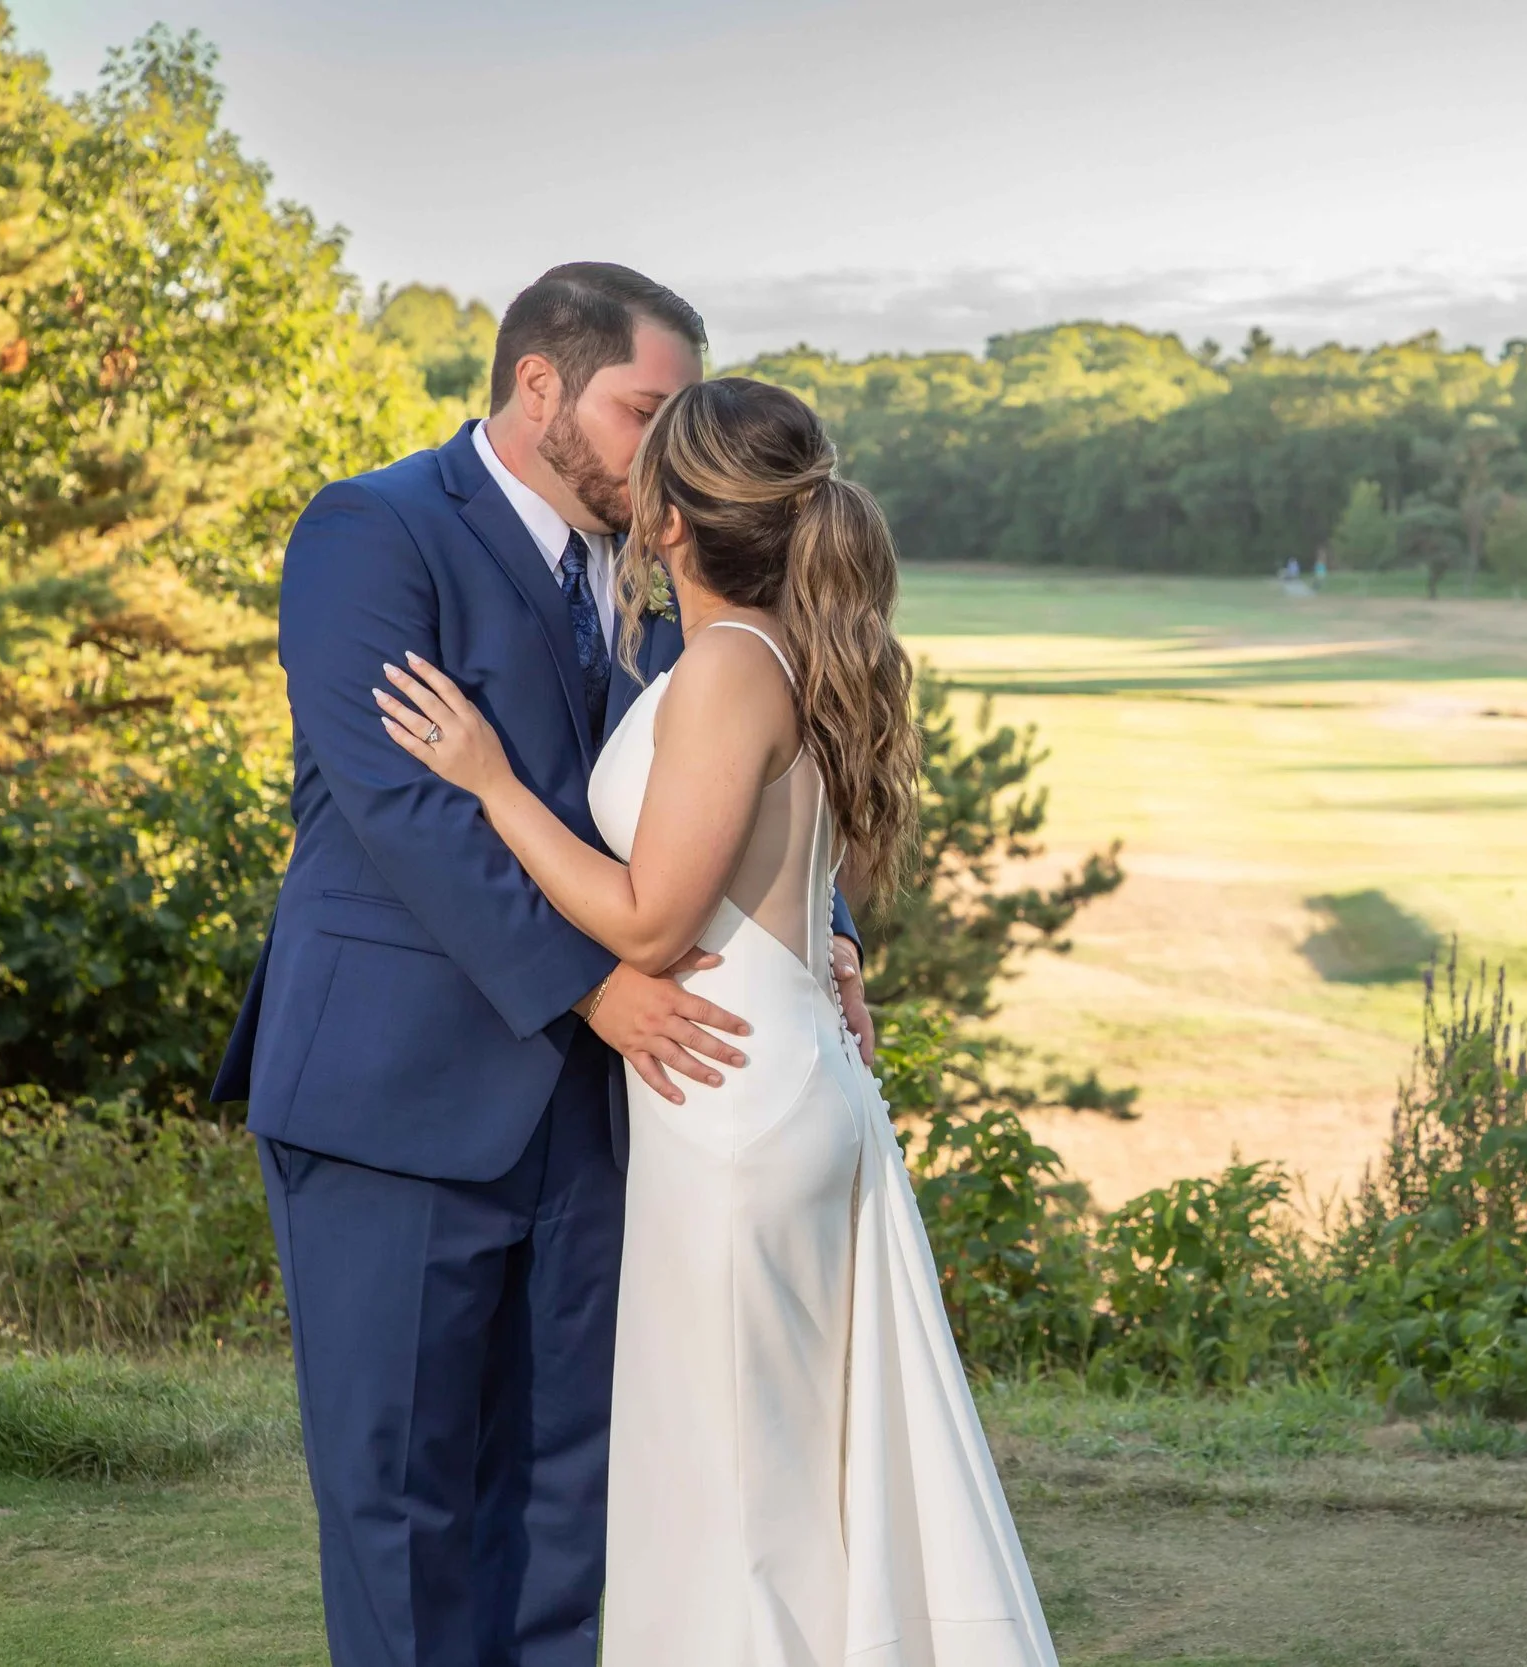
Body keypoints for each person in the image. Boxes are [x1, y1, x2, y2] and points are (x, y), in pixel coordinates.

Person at [208, 264, 876, 1667]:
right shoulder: (372, 531)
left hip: (604, 1108)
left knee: (573, 1491)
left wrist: (824, 929)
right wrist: (591, 983)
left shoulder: (660, 564)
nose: (666, 444)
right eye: (645, 407)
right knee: (402, 1498)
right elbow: (405, 811)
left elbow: (738, 773)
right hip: (397, 1092)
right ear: (538, 387)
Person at [378, 378, 1057, 1662]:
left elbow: (646, 921)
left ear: (675, 524)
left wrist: (490, 784)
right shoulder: (747, 659)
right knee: (754, 1464)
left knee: (749, 1487)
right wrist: (835, 941)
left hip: (736, 1096)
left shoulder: (728, 672)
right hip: (750, 1075)